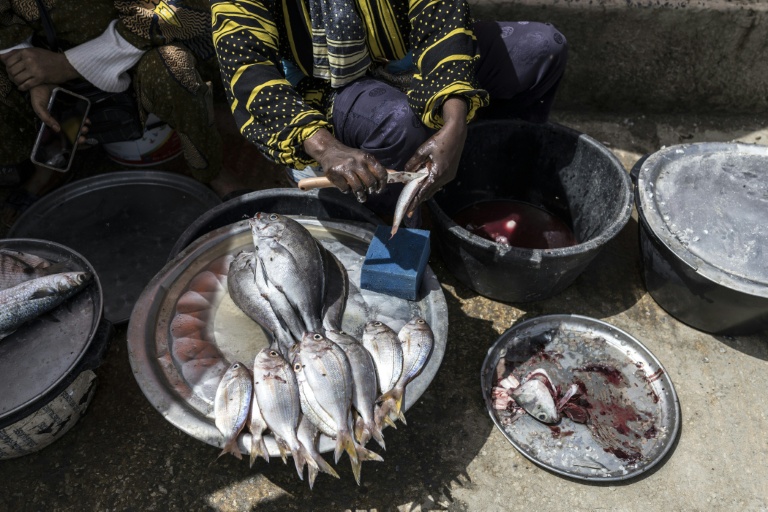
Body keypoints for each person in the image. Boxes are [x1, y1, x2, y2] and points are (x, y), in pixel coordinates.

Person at [210, 0, 567, 220]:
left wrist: (456, 121)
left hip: (408, 58)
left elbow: (443, 18)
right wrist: (324, 147)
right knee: (400, 123)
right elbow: (246, 67)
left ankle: (479, 174)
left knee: (542, 49)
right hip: (322, 86)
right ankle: (391, 218)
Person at [0, 0, 228, 227]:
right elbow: (6, 18)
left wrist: (68, 65)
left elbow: (177, 12)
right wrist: (31, 74)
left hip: (142, 49)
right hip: (50, 58)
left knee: (174, 70)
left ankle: (212, 170)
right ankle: (47, 166)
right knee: (32, 101)